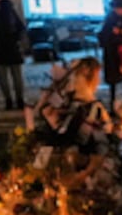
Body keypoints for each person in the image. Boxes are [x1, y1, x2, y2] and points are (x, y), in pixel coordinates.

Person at [38, 57, 113, 186]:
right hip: (78, 167)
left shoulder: (64, 101)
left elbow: (48, 126)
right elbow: (99, 144)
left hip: (50, 160)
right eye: (98, 75)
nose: (99, 80)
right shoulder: (92, 108)